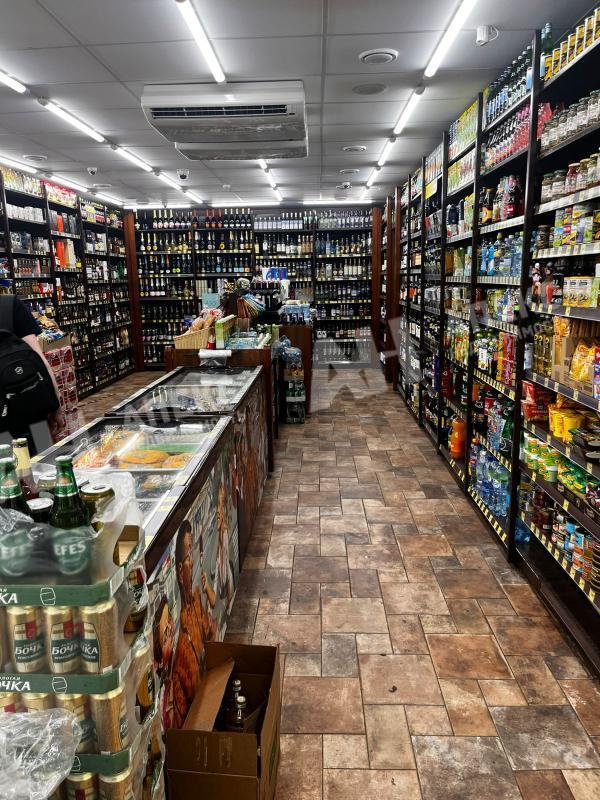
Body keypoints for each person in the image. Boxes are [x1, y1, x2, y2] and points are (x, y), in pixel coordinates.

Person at [0, 295, 64, 447]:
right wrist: (56, 406)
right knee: (44, 458)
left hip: (5, 427)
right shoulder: (8, 304)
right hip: (32, 413)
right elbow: (39, 360)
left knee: (7, 460)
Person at [170, 519, 212, 728]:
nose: (193, 562)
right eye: (188, 556)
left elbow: (212, 634)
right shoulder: (181, 658)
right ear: (179, 571)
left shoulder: (196, 601)